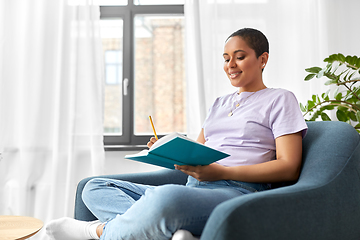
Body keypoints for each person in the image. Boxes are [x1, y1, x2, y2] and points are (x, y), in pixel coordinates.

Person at [46, 28, 307, 240]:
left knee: (166, 198)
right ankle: (174, 232)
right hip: (195, 187)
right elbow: (201, 152)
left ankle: (95, 231)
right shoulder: (219, 103)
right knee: (95, 187)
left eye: (239, 57)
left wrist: (223, 173)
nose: (230, 65)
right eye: (226, 58)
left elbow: (289, 167)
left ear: (263, 59)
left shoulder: (280, 99)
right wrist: (168, 149)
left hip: (237, 191)